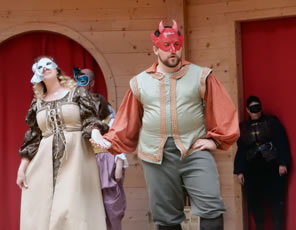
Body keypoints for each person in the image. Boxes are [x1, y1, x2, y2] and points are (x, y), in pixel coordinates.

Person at [91, 20, 240, 230]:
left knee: (211, 207)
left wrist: (215, 141)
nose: (173, 51)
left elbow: (223, 110)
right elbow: (127, 120)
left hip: (193, 150)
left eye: (177, 46)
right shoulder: (139, 82)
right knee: (166, 217)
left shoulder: (201, 75)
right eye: (166, 47)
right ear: (155, 49)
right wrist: (108, 140)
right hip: (155, 155)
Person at [16, 57, 108, 230]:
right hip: (44, 164)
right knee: (42, 211)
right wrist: (22, 168)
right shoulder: (38, 102)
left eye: (48, 64)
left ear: (57, 69)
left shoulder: (76, 92)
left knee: (73, 211)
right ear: (36, 74)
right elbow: (34, 136)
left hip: (76, 158)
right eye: (39, 67)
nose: (44, 68)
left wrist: (95, 132)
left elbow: (90, 119)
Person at [74, 67, 128, 230]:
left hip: (105, 160)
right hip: (84, 161)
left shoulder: (102, 105)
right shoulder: (72, 106)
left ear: (92, 84)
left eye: (84, 81)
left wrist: (119, 161)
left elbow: (117, 132)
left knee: (112, 207)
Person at [234, 96, 290, 230]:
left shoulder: (271, 122)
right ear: (247, 110)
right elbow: (241, 150)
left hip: (272, 166)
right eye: (253, 108)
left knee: (276, 201)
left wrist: (283, 163)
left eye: (258, 107)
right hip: (252, 169)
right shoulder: (243, 128)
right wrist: (240, 170)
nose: (256, 111)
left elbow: (281, 141)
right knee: (255, 203)